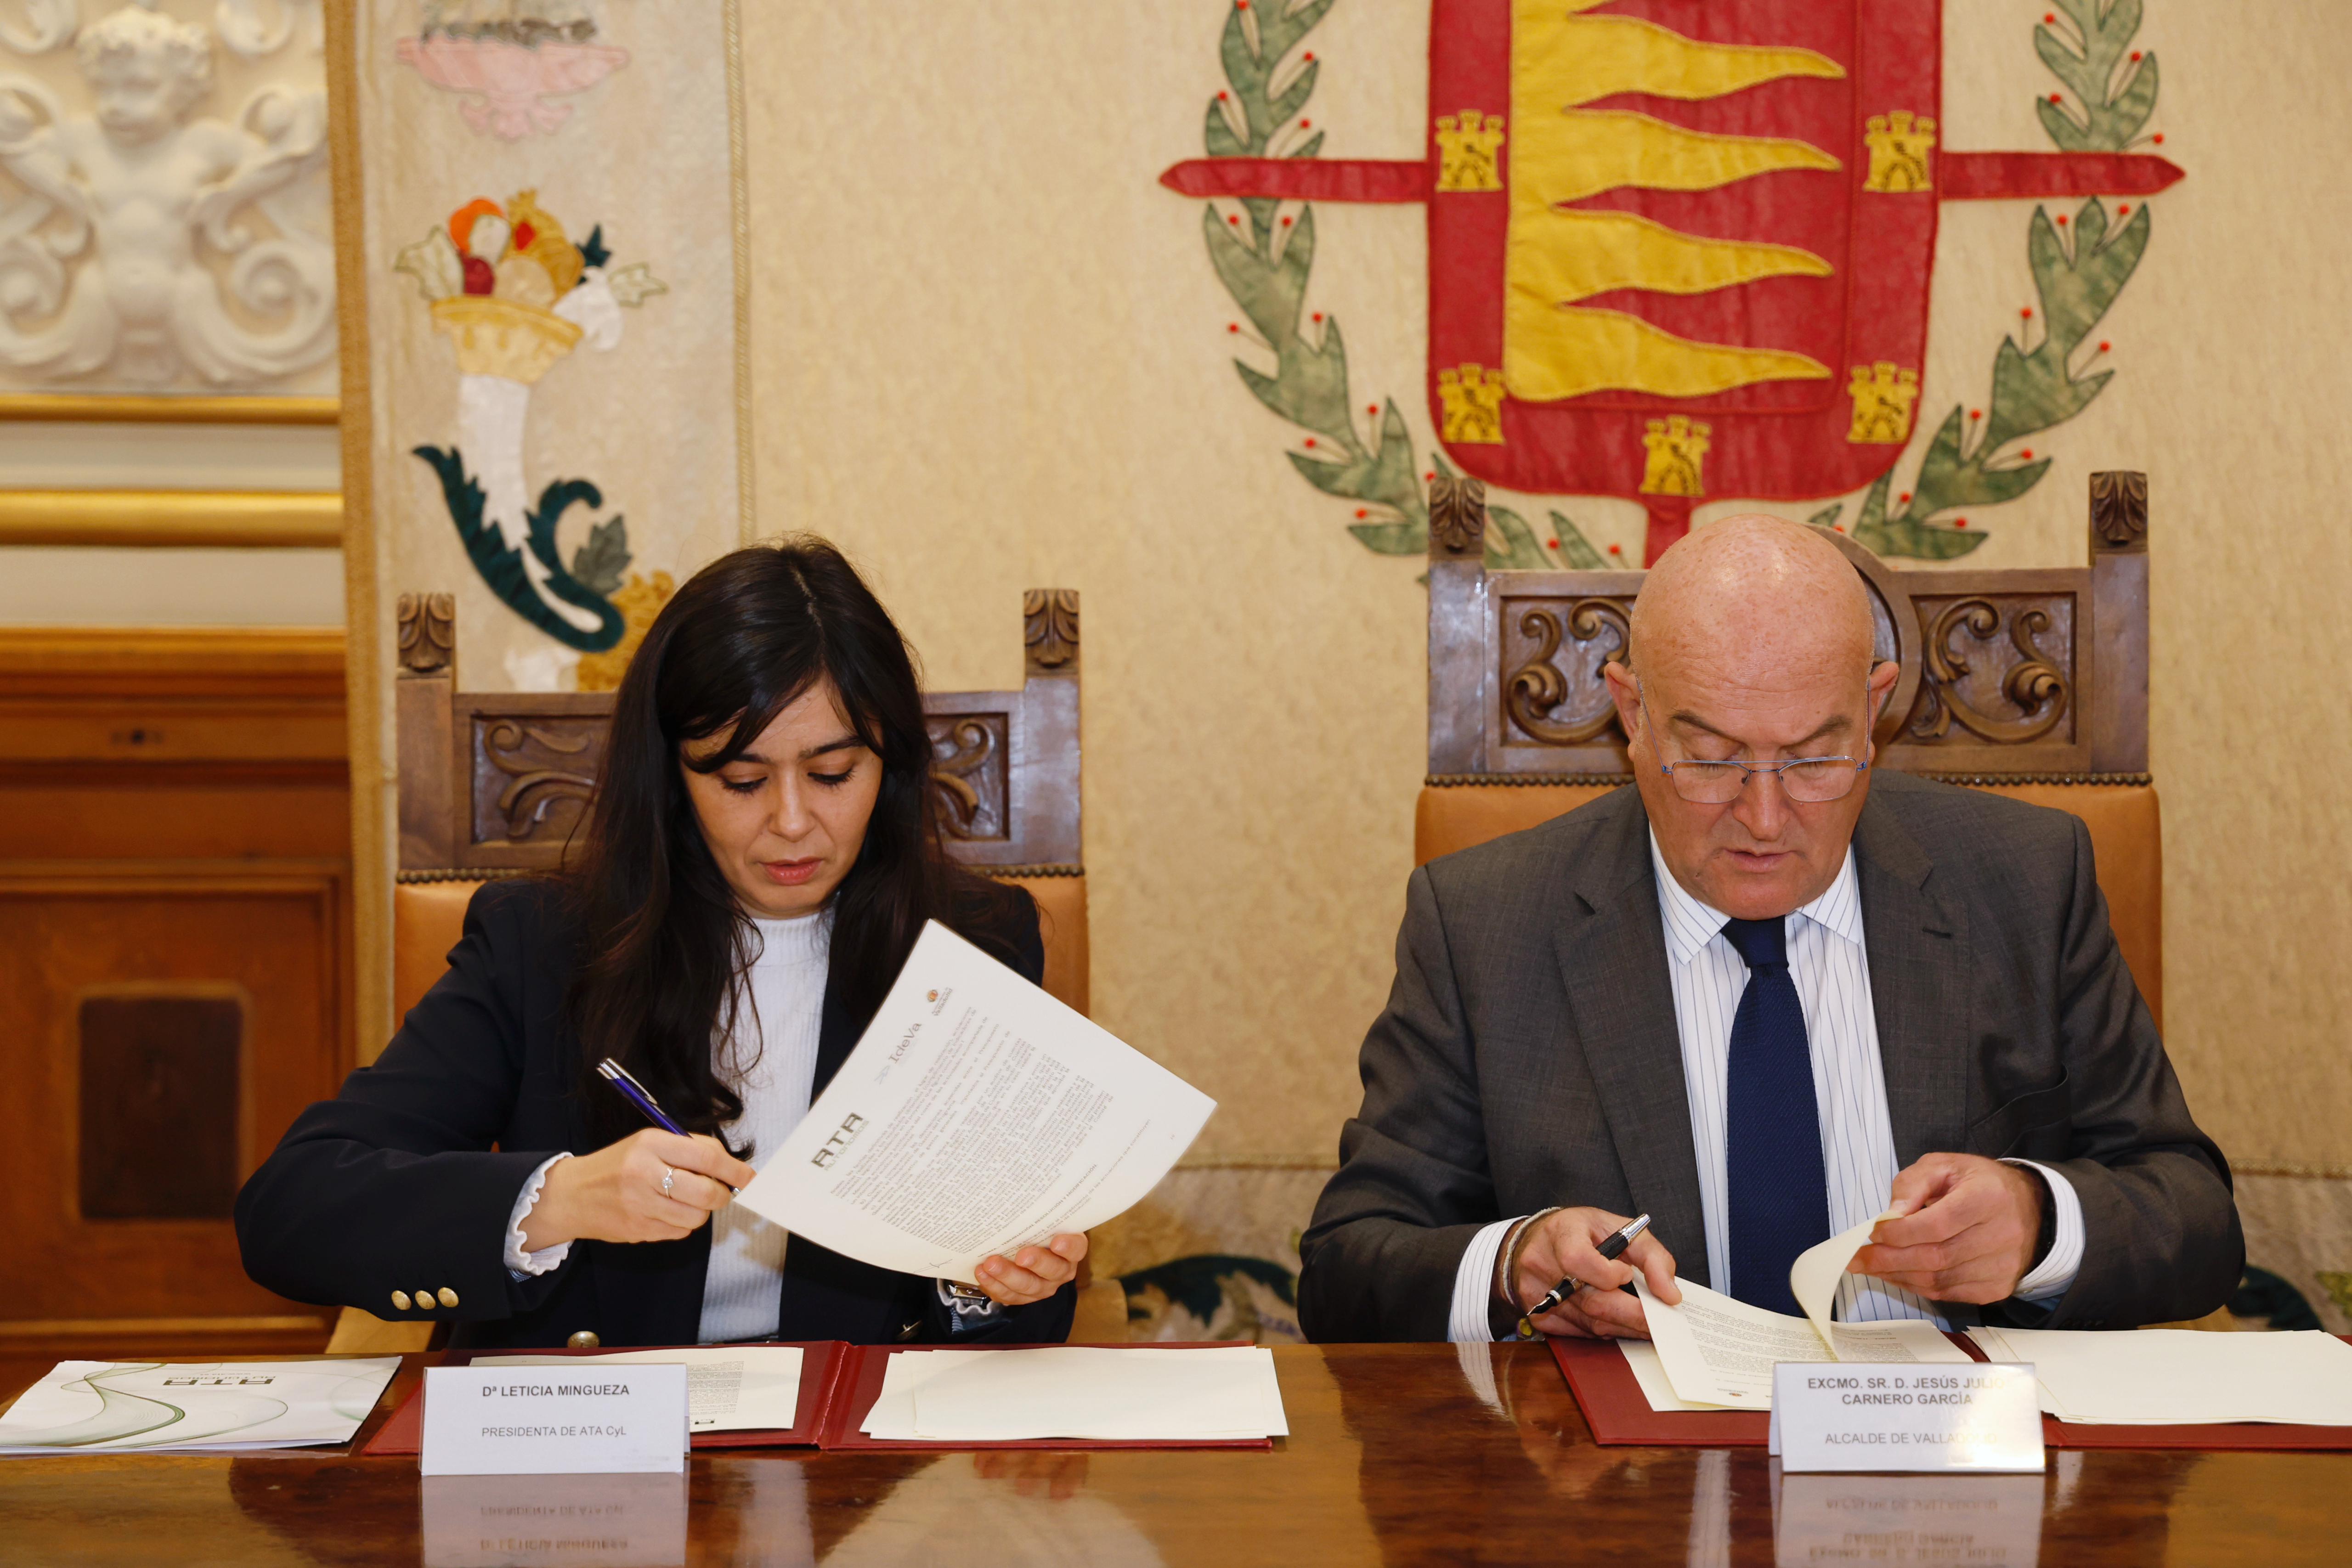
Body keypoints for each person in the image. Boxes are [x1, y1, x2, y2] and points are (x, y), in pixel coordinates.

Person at [1298, 514, 2239, 1343]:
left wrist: (2040, 1221)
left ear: (1873, 711)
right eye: (1708, 759)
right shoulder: (1484, 925)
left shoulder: (2026, 882)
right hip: (1625, 1500)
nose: (1761, 816)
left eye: (1813, 756)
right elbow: (1348, 1270)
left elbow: (2195, 1219)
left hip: (1947, 1482)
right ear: (1632, 715)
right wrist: (1513, 1266)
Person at [237, 539, 1085, 1348]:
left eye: (833, 774)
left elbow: (1017, 1327)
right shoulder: (545, 944)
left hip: (851, 1463)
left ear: (890, 768)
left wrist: (994, 1280)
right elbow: (292, 1209)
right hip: (590, 1450)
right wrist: (553, 1200)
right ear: (673, 778)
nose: (793, 822)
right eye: (742, 780)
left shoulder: (972, 947)